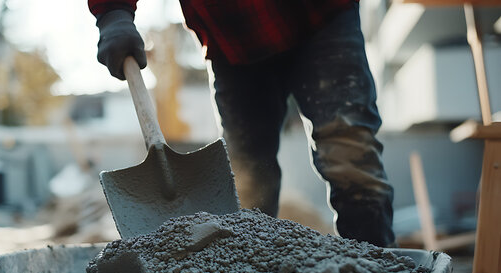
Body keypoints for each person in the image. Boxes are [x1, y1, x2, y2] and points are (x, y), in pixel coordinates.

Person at [88, 0, 395, 248]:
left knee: (350, 157)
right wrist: (114, 11)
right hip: (232, 40)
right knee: (247, 185)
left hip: (320, 15)